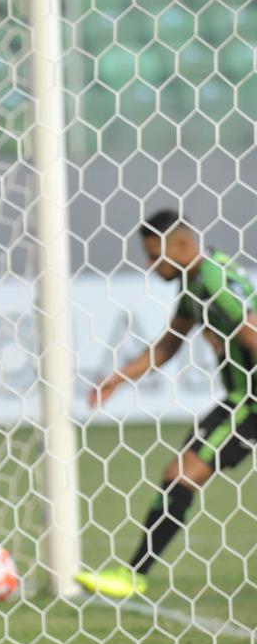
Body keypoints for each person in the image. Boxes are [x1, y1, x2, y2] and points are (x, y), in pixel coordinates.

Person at [78, 209, 257, 598]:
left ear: (181, 245)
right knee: (180, 473)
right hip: (241, 399)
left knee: (181, 474)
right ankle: (133, 575)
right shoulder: (199, 281)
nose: (149, 265)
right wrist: (118, 378)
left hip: (250, 402)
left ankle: (133, 576)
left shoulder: (214, 285)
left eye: (154, 254)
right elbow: (169, 344)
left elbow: (251, 332)